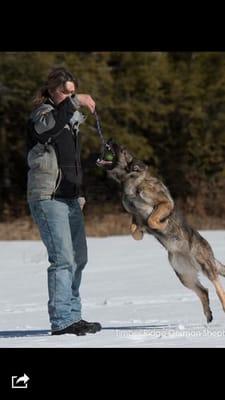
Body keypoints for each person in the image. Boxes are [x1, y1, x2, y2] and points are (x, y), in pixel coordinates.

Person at [27, 66, 102, 336]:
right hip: (48, 197)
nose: (70, 96)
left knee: (78, 258)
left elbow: (71, 161)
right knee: (63, 259)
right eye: (65, 92)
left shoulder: (69, 119)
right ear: (51, 90)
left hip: (70, 198)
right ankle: (62, 321)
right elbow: (48, 129)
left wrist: (80, 193)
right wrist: (74, 103)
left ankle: (73, 315)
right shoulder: (43, 114)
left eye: (72, 92)